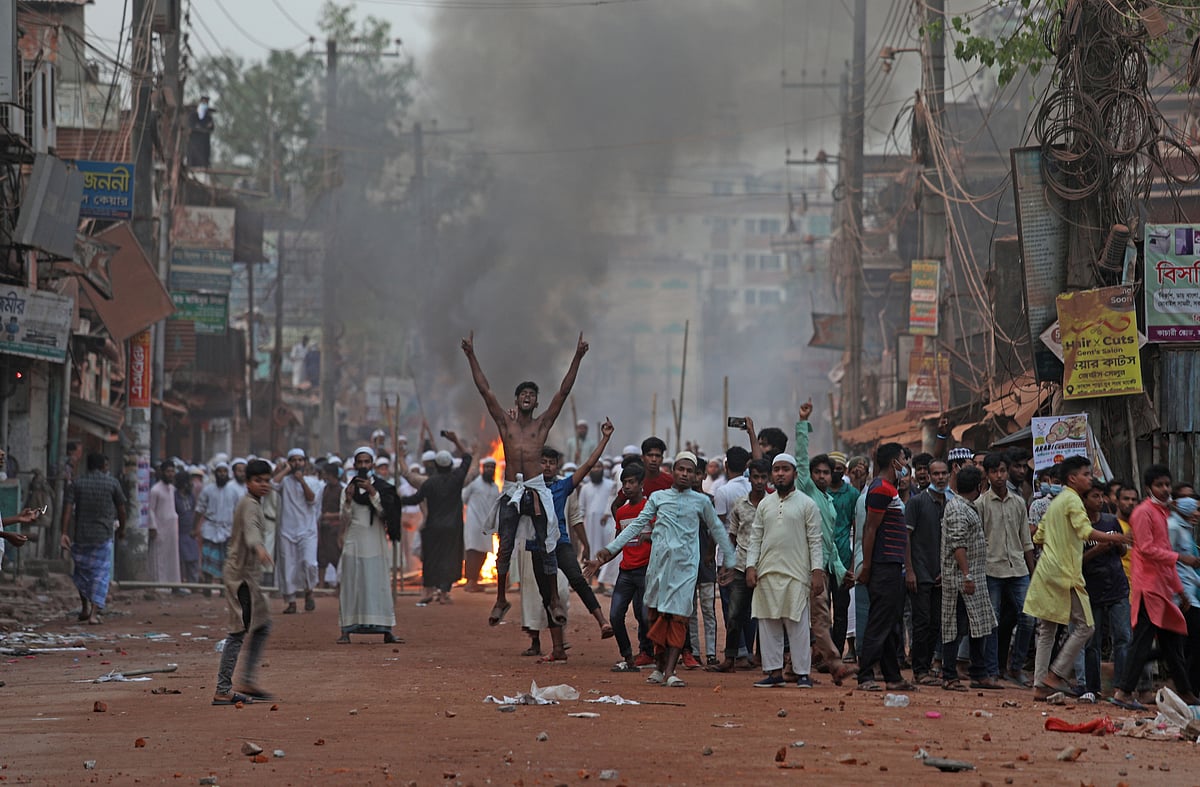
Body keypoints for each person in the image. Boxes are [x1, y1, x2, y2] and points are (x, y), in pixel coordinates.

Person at [461, 330, 588, 626]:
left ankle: (554, 600)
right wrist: (471, 355)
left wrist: (578, 357)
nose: (528, 397)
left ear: (536, 401)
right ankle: (501, 599)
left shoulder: (542, 425)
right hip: (510, 490)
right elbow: (485, 390)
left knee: (547, 543)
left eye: (532, 395)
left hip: (535, 489)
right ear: (517, 400)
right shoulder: (505, 424)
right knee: (504, 545)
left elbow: (563, 392)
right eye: (524, 394)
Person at [586, 451, 735, 688]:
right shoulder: (658, 498)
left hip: (685, 569)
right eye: (681, 469)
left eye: (689, 470)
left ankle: (670, 671)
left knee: (678, 617)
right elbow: (636, 525)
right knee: (654, 616)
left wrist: (730, 562)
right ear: (673, 471)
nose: (685, 474)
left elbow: (717, 530)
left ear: (695, 475)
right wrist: (609, 550)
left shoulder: (702, 502)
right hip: (657, 567)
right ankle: (658, 668)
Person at [1024, 455, 1130, 700]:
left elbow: (1038, 537)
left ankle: (1040, 684)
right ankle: (1056, 675)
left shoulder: (1058, 501)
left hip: (1048, 569)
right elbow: (1084, 531)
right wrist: (1115, 537)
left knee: (1048, 630)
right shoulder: (1072, 500)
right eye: (1086, 474)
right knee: (1086, 626)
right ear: (1073, 478)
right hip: (1064, 572)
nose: (1090, 478)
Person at [1112, 464, 1200, 709]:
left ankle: (1185, 691)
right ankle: (1124, 692)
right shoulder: (1143, 513)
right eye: (1159, 485)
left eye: (1167, 485)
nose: (1164, 489)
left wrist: (1179, 590)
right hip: (1148, 587)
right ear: (1149, 487)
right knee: (1142, 642)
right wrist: (1181, 560)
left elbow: (1165, 556)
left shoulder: (1162, 514)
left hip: (1162, 588)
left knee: (1172, 644)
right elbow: (1147, 549)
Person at [744, 452, 825, 688]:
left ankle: (802, 674)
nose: (780, 473)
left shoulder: (807, 504)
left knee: (798, 625)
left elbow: (815, 541)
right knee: (768, 625)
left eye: (785, 469)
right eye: (776, 469)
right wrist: (751, 566)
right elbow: (755, 537)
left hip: (796, 574)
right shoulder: (765, 505)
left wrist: (817, 571)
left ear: (795, 474)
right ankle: (774, 672)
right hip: (766, 573)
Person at [793, 403, 853, 682]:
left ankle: (796, 666)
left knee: (805, 618)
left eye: (825, 473)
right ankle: (834, 661)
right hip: (803, 565)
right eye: (817, 472)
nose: (820, 476)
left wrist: (841, 571)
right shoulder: (806, 491)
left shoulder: (829, 503)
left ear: (833, 476)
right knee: (818, 617)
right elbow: (801, 459)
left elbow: (828, 544)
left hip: (822, 567)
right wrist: (803, 423)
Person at [212, 459, 275, 706]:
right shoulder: (249, 505)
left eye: (267, 480)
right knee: (238, 631)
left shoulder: (255, 503)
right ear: (248, 482)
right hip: (240, 578)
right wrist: (259, 549)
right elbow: (251, 532)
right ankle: (222, 689)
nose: (264, 485)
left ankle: (247, 680)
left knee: (263, 624)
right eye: (258, 480)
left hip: (248, 577)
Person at [855, 442, 914, 692]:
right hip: (883, 565)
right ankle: (865, 674)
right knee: (880, 622)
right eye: (903, 458)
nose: (906, 464)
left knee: (890, 624)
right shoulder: (881, 489)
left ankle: (893, 676)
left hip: (892, 564)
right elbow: (870, 529)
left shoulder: (890, 489)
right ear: (894, 462)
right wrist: (867, 566)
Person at [977, 452, 1035, 688]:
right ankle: (992, 670)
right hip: (992, 569)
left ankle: (1015, 666)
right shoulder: (981, 504)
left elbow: (1026, 541)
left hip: (1019, 569)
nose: (999, 476)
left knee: (1028, 618)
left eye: (1002, 470)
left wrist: (1033, 573)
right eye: (994, 472)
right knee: (993, 622)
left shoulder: (1019, 502)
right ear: (988, 475)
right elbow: (978, 540)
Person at [709, 458, 769, 673]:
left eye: (763, 477)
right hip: (741, 565)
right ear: (749, 477)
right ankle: (730, 659)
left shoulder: (773, 505)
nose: (760, 481)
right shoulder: (739, 505)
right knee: (735, 614)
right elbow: (731, 536)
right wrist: (726, 565)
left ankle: (764, 658)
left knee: (765, 615)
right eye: (756, 477)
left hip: (766, 567)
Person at [939, 465, 996, 691]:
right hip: (961, 581)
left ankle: (978, 672)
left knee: (978, 626)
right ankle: (949, 675)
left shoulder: (964, 507)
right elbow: (958, 544)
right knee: (955, 627)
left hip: (971, 579)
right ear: (979, 487)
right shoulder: (958, 509)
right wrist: (967, 575)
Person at [398, 432, 472, 605]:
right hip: (452, 527)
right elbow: (467, 458)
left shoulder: (429, 483)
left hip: (432, 527)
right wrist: (456, 440)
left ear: (436, 465)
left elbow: (415, 499)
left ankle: (428, 590)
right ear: (450, 465)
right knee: (450, 559)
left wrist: (396, 500)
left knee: (432, 559)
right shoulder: (457, 479)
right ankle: (444, 593)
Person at [337, 447, 402, 644]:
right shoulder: (348, 489)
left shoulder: (382, 487)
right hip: (354, 542)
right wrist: (348, 500)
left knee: (378, 585)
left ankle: (386, 629)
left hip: (376, 542)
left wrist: (373, 493)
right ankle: (346, 629)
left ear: (372, 464)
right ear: (355, 465)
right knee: (351, 586)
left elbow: (387, 514)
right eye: (360, 462)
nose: (364, 466)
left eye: (367, 462)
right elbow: (344, 517)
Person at [60, 453, 127, 625]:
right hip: (103, 535)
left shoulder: (77, 483)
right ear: (104, 465)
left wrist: (64, 532)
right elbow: (122, 509)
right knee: (100, 575)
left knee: (82, 572)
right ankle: (94, 614)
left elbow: (67, 509)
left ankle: (84, 607)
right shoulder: (112, 483)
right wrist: (122, 529)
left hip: (81, 535)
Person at [1080, 479, 1131, 701]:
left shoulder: (1111, 521)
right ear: (1084, 499)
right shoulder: (1080, 526)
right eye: (1095, 496)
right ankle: (1092, 688)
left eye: (1102, 496)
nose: (1100, 501)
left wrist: (1117, 544)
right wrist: (1098, 549)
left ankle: (1121, 687)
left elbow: (1122, 552)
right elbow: (1076, 561)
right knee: (1092, 642)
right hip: (1092, 589)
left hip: (1117, 586)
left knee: (1123, 637)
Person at [904, 458, 950, 685]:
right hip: (920, 573)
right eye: (936, 474)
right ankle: (919, 670)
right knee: (921, 622)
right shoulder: (917, 503)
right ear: (928, 476)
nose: (940, 478)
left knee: (935, 624)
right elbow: (906, 538)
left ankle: (927, 664)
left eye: (944, 473)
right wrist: (910, 570)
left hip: (940, 575)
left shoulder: (948, 503)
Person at [608, 463, 654, 673]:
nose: (627, 486)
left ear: (641, 485)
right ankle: (628, 656)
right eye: (624, 483)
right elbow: (619, 540)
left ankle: (651, 653)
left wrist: (650, 537)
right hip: (626, 570)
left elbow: (661, 534)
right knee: (616, 615)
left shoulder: (651, 508)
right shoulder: (622, 512)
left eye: (631, 482)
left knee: (645, 616)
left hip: (646, 570)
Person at [272, 449, 323, 614]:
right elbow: (272, 484)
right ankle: (291, 601)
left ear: (305, 462)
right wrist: (286, 470)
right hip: (287, 530)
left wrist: (302, 482)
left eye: (300, 460)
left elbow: (311, 499)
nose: (297, 463)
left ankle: (309, 591)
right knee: (288, 566)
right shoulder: (284, 482)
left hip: (307, 530)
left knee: (309, 563)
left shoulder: (312, 481)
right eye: (293, 460)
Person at [827, 450, 859, 657]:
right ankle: (822, 652)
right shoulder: (819, 492)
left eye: (839, 469)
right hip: (820, 560)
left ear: (844, 470)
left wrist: (852, 565)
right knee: (819, 612)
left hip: (844, 557)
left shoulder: (852, 495)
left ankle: (837, 652)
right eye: (832, 469)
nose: (835, 473)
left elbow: (857, 532)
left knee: (840, 611)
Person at [194, 462, 242, 592]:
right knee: (208, 559)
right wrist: (195, 527)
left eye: (224, 472)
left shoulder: (233, 491)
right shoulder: (208, 490)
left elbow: (238, 512)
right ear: (215, 474)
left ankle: (223, 589)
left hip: (228, 530)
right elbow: (199, 509)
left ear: (228, 474)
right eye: (219, 471)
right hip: (210, 528)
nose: (222, 474)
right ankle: (207, 587)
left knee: (226, 561)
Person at [462, 457, 501, 592]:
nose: (490, 469)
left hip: (487, 525)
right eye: (488, 467)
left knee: (483, 553)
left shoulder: (495, 487)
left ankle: (474, 581)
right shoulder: (474, 484)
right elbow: (463, 498)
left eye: (492, 467)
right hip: (473, 523)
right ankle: (470, 582)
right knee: (473, 552)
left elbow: (496, 507)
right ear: (483, 469)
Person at [579, 460, 616, 594]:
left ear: (603, 469)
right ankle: (593, 582)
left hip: (606, 525)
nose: (596, 469)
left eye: (599, 466)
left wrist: (607, 514)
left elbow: (613, 502)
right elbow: (581, 508)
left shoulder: (610, 484)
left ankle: (607, 583)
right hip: (590, 526)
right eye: (594, 466)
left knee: (607, 551)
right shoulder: (585, 488)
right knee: (592, 551)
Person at [147, 461, 181, 584]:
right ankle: (160, 584)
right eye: (168, 471)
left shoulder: (172, 489)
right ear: (162, 473)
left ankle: (173, 583)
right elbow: (150, 509)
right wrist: (153, 527)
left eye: (172, 471)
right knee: (159, 556)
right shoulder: (155, 490)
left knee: (172, 557)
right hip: (160, 528)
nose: (170, 474)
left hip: (172, 528)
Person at [317, 463, 344, 589]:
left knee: (336, 557)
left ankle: (340, 584)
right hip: (324, 528)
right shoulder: (324, 489)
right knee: (322, 556)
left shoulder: (341, 490)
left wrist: (330, 516)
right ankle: (321, 584)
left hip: (335, 528)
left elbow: (345, 512)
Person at [176, 467, 201, 583]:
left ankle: (193, 583)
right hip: (179, 532)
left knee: (193, 558)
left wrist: (195, 528)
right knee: (180, 560)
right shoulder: (175, 496)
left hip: (190, 532)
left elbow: (194, 511)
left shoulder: (191, 496)